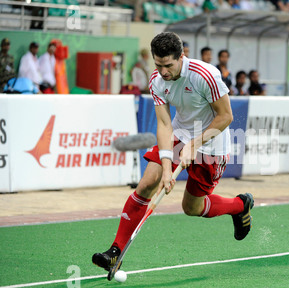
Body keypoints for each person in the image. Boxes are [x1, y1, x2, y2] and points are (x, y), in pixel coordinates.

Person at [92, 32, 254, 271]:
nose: (163, 72)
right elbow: (165, 124)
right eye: (158, 65)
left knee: (192, 208)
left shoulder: (205, 75)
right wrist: (167, 168)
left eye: (168, 65)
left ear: (181, 57)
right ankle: (115, 251)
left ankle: (240, 206)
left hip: (211, 143)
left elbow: (226, 116)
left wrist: (195, 145)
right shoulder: (157, 79)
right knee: (147, 183)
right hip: (179, 134)